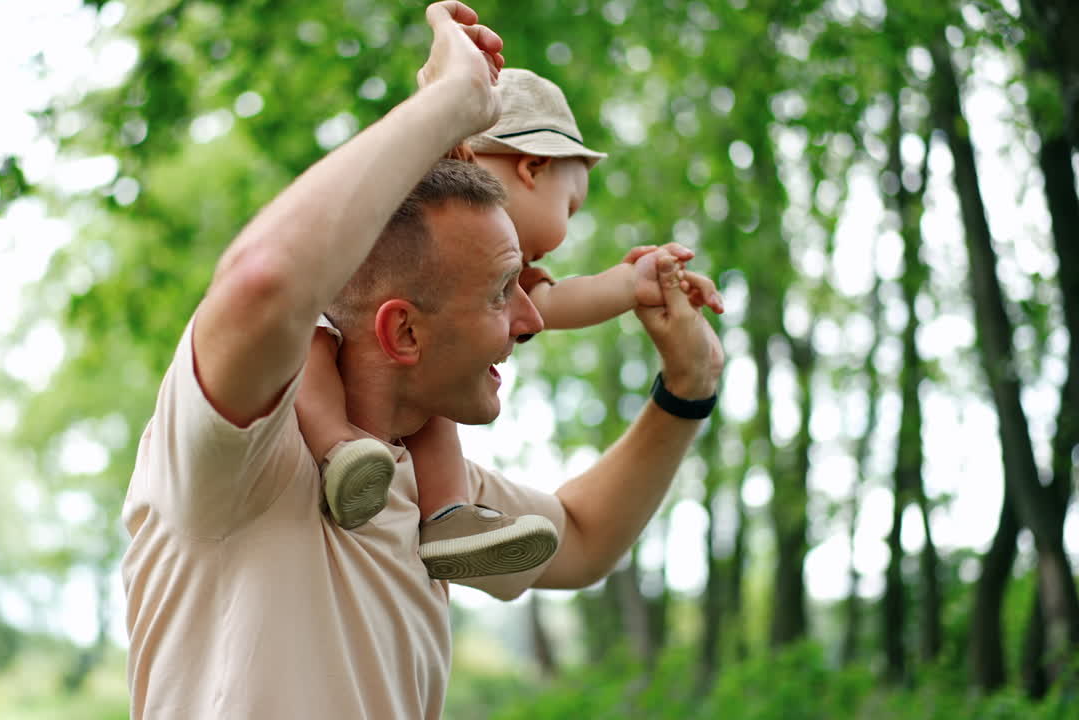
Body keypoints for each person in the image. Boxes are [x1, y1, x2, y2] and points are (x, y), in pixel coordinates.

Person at [120, 4, 724, 718]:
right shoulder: (238, 454)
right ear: (402, 332)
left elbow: (585, 542)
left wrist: (690, 388)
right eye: (504, 291)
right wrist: (454, 103)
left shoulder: (434, 490)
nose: (533, 319)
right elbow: (263, 282)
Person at [298, 67, 725, 582]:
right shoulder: (253, 429)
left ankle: (448, 515)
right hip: (315, 356)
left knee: (434, 406)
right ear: (532, 167)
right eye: (570, 205)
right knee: (309, 342)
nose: (529, 318)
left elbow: (584, 543)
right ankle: (337, 449)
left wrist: (677, 361)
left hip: (396, 423)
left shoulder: (424, 399)